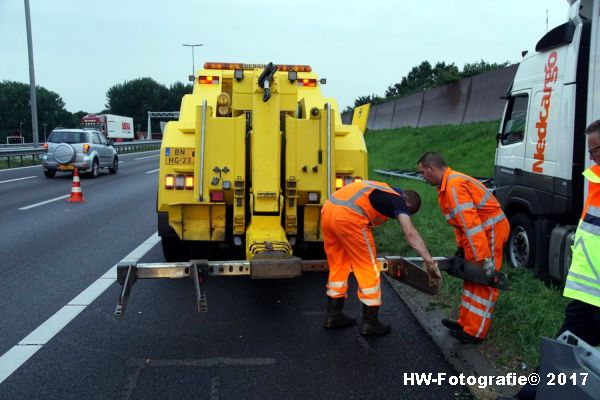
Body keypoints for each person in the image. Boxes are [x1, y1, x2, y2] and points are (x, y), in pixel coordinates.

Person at [514, 120, 600, 400]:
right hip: (587, 295)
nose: (591, 157)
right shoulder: (596, 179)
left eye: (595, 150)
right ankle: (528, 396)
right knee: (562, 350)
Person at [321, 180, 440, 336]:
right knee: (368, 268)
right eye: (407, 212)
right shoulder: (398, 200)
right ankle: (370, 323)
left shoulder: (382, 189)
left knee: (339, 265)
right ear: (409, 205)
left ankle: (334, 316)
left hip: (328, 212)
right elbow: (410, 233)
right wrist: (428, 260)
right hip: (350, 218)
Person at [417, 152, 509, 344]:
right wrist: (462, 248)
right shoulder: (448, 185)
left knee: (484, 280)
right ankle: (464, 324)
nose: (423, 177)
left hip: (488, 233)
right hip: (480, 235)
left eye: (423, 172)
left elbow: (471, 225)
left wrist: (484, 259)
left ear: (431, 168)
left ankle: (475, 333)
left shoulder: (453, 186)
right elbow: (461, 224)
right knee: (471, 277)